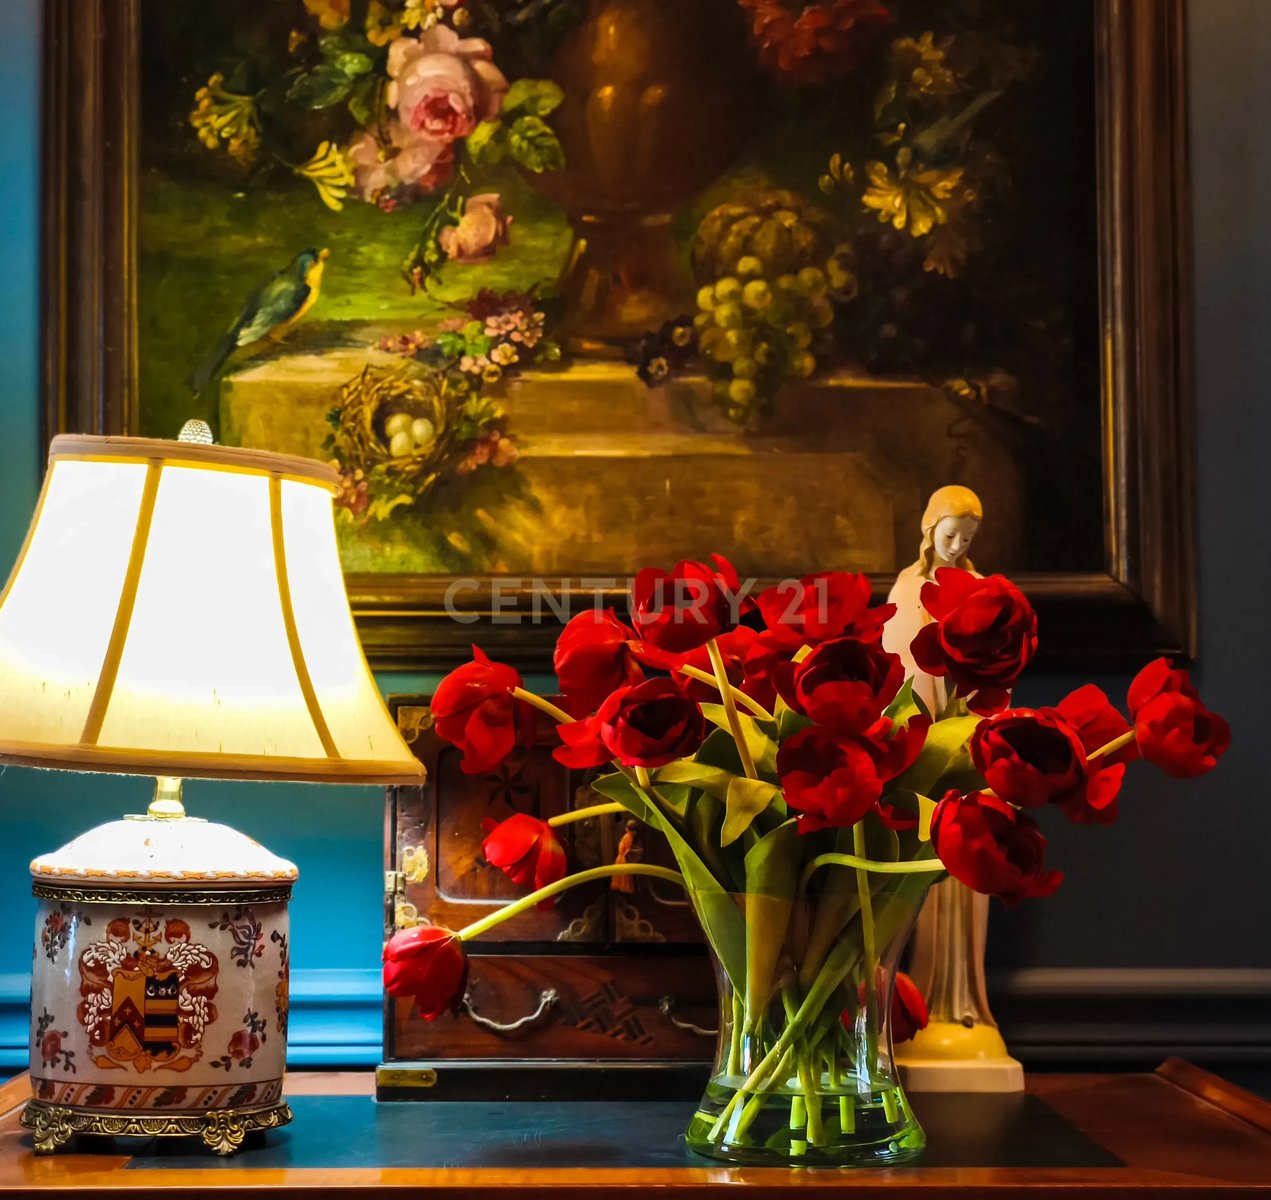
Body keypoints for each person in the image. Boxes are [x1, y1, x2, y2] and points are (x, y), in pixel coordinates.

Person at [882, 486, 983, 719]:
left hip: (966, 710)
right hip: (926, 711)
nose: (957, 546)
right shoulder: (909, 588)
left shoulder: (978, 586)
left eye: (966, 538)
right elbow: (903, 662)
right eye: (950, 535)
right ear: (931, 527)